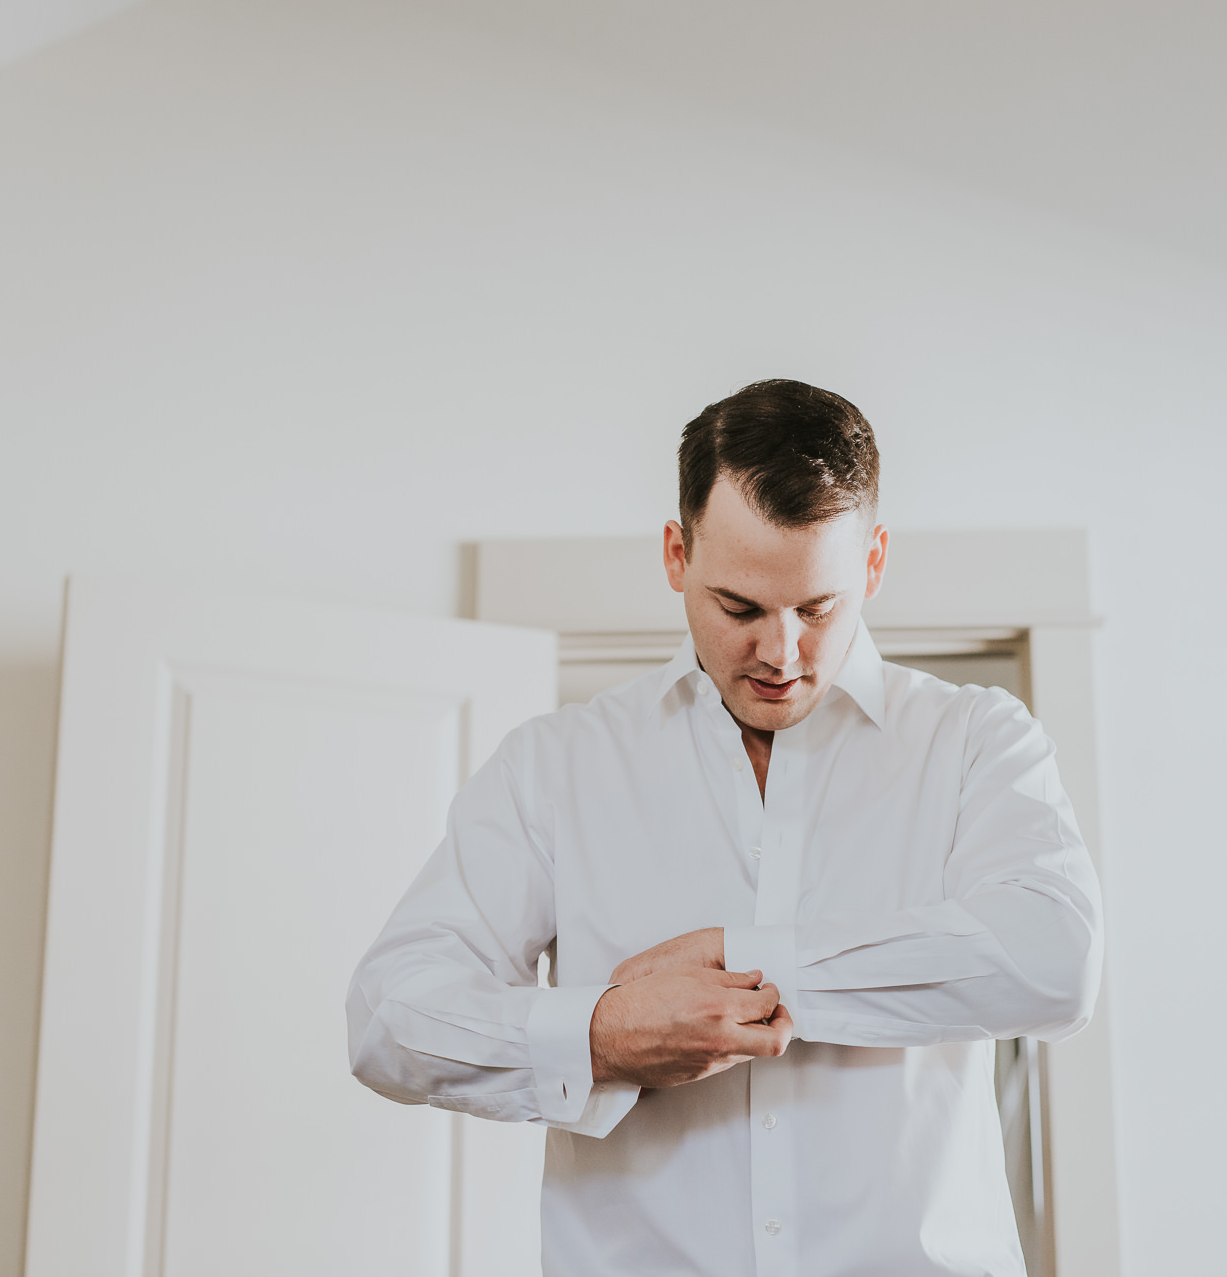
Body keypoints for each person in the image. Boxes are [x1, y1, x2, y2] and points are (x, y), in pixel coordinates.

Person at [347, 379, 1103, 1277]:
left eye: (818, 609)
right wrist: (595, 1035)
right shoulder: (556, 766)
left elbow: (1054, 957)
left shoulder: (979, 740)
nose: (781, 654)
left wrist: (749, 963)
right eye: (740, 608)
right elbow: (388, 1015)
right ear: (676, 554)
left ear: (873, 564)